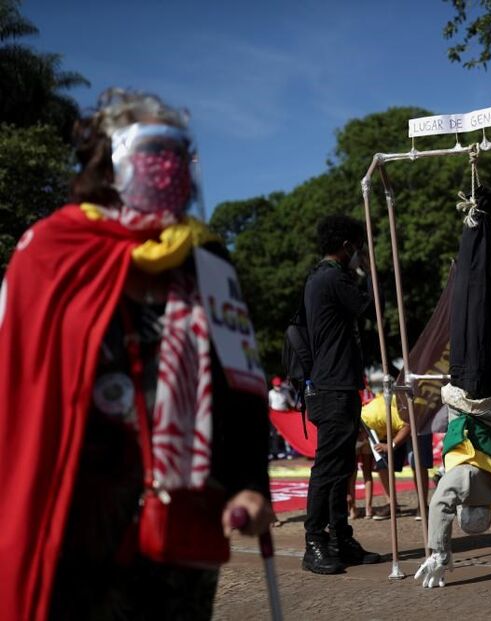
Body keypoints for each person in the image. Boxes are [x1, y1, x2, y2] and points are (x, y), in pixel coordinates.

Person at [0, 89, 272, 620]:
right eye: (154, 148)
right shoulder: (52, 250)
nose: (169, 165)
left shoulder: (208, 259)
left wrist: (249, 486)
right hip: (78, 515)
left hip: (185, 513)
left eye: (178, 151)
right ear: (109, 156)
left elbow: (241, 381)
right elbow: (17, 384)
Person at [416, 183, 491, 588]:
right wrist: (438, 551)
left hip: (481, 391)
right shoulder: (468, 482)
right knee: (469, 297)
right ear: (472, 508)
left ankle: (480, 219)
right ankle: (477, 217)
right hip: (472, 391)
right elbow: (439, 505)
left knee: (476, 298)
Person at [302, 214, 380, 574]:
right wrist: (369, 271)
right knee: (329, 467)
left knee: (342, 465)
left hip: (339, 385)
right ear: (348, 246)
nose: (360, 255)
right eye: (358, 248)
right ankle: (315, 540)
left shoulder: (326, 277)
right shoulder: (332, 278)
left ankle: (339, 536)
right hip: (332, 387)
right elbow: (370, 306)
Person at [268, 376, 298, 460]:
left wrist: (297, 407)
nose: (278, 387)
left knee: (286, 434)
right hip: (275, 416)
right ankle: (275, 452)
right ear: (273, 385)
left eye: (279, 385)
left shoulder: (285, 392)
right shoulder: (270, 393)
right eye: (276, 386)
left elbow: (291, 403)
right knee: (274, 435)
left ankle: (288, 451)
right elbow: (269, 405)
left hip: (284, 415)